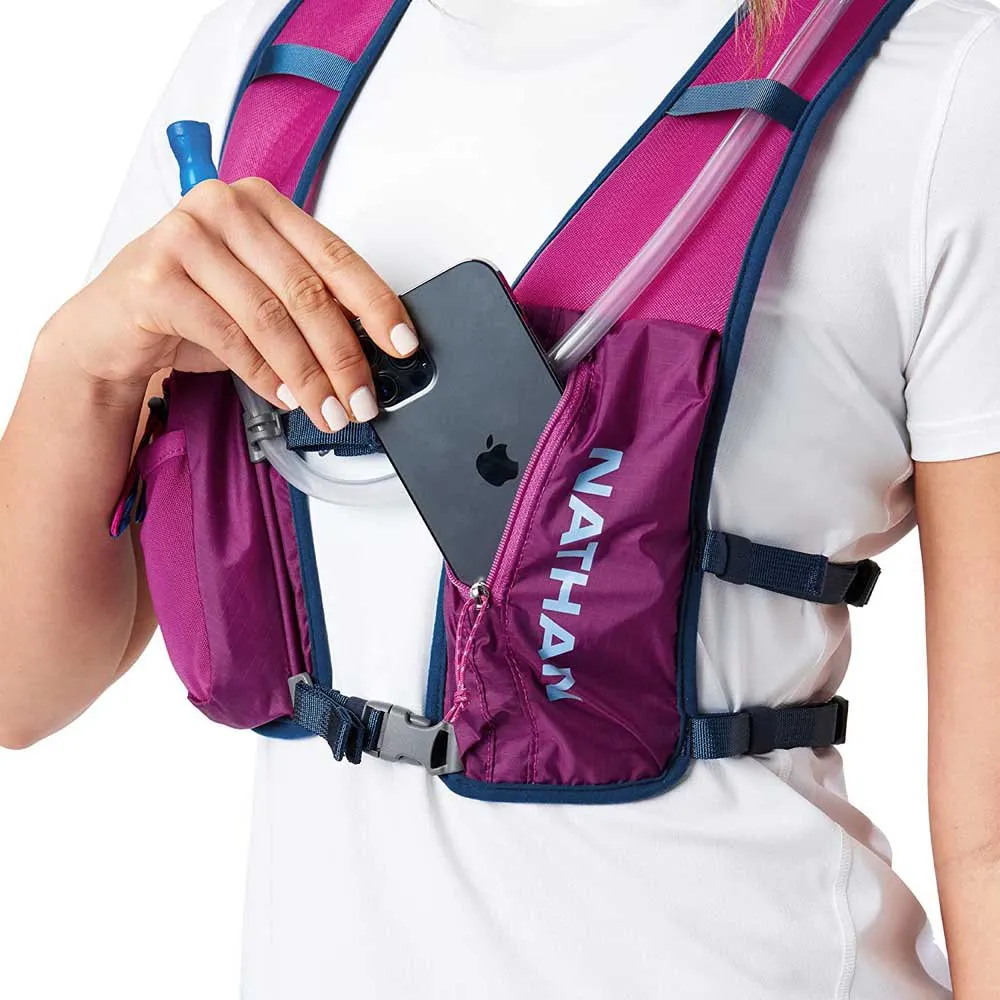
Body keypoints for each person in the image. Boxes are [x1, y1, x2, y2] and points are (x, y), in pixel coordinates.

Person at [2, 0, 999, 995]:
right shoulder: (266, 56)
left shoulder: (947, 87)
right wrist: (82, 367)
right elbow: (20, 690)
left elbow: (988, 842)